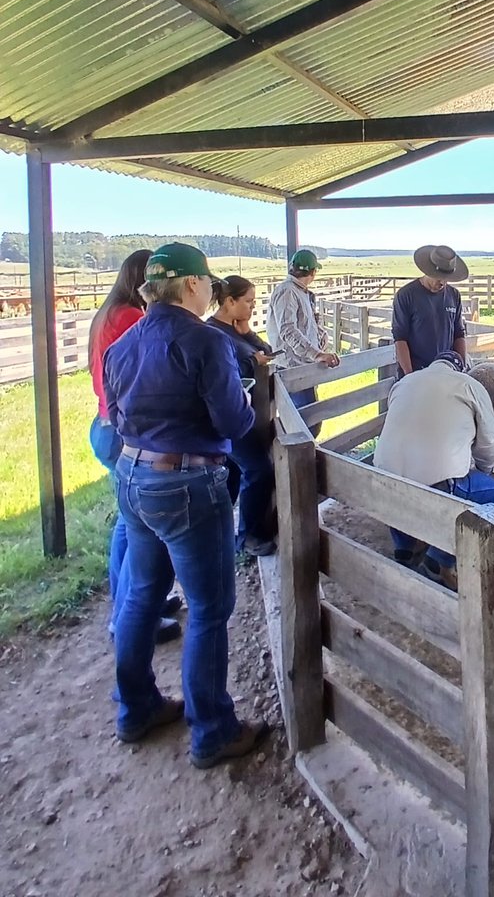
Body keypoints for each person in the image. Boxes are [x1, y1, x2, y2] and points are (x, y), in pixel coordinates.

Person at [104, 242, 268, 766]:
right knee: (208, 606)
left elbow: (119, 413)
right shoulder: (203, 343)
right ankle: (213, 729)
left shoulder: (123, 343)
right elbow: (233, 423)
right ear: (194, 285)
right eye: (209, 285)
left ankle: (135, 707)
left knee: (140, 595)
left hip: (131, 473)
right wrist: (244, 399)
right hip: (187, 482)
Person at [87, 249, 181, 643]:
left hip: (107, 423)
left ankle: (139, 603)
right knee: (134, 527)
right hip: (124, 429)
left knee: (131, 524)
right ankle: (128, 612)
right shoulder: (130, 318)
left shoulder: (108, 314)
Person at [373, 350, 494, 590]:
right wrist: (484, 470)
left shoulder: (404, 383)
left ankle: (404, 548)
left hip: (383, 485)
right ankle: (438, 561)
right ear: (460, 368)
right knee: (491, 493)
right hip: (438, 486)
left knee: (401, 473)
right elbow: (489, 448)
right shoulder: (469, 385)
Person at [209, 275, 278, 557]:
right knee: (258, 470)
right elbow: (227, 371)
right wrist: (252, 361)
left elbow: (267, 352)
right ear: (229, 301)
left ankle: (220, 534)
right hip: (231, 417)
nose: (252, 306)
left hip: (245, 414)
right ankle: (248, 536)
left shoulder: (236, 331)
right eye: (247, 302)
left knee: (234, 474)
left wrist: (248, 330)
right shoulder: (213, 333)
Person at [266, 248, 339, 434]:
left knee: (310, 420)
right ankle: (298, 460)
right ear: (313, 272)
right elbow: (288, 330)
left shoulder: (300, 293)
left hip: (302, 365)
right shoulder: (288, 292)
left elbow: (306, 327)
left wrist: (321, 341)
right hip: (293, 368)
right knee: (304, 425)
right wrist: (317, 353)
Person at [391, 244, 468, 377]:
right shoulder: (406, 295)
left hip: (446, 370)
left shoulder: (454, 295)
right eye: (439, 277)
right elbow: (400, 338)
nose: (443, 283)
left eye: (447, 279)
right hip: (416, 371)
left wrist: (462, 368)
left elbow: (458, 334)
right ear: (428, 271)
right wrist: (410, 375)